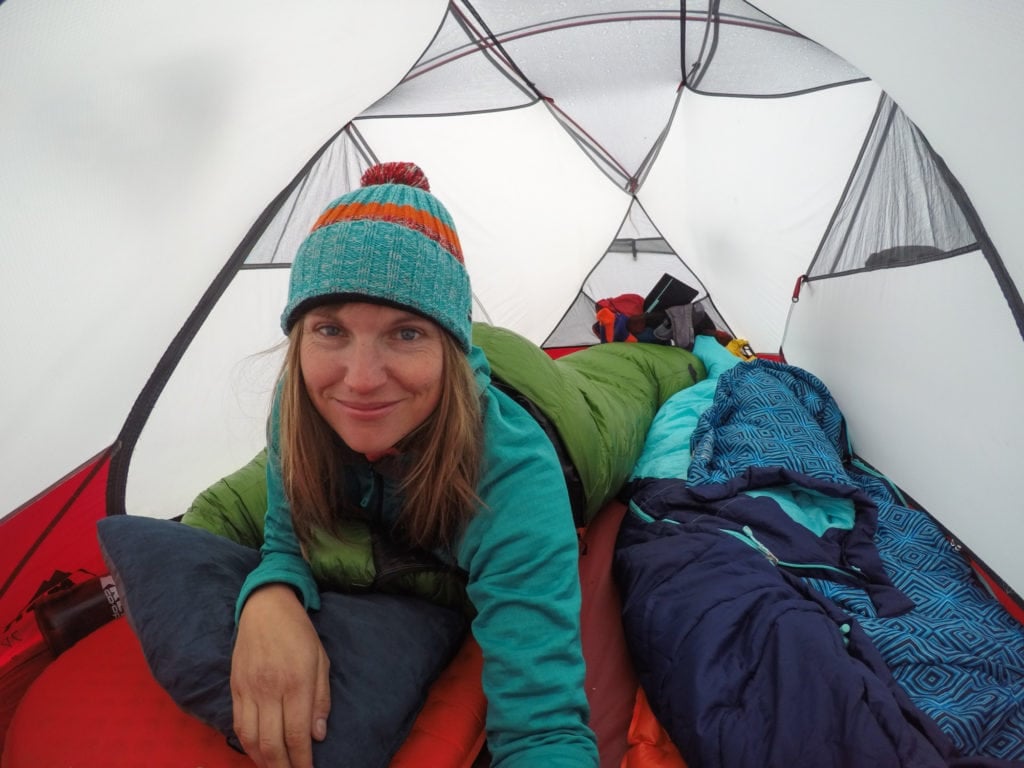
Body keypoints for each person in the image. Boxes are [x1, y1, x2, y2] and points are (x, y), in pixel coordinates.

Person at [230, 161, 598, 768]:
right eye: (330, 329)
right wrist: (270, 593)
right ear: (299, 339)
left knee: (650, 368)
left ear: (450, 348)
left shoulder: (513, 472)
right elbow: (283, 540)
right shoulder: (296, 409)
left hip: (575, 408)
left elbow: (543, 728)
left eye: (406, 333)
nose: (362, 380)